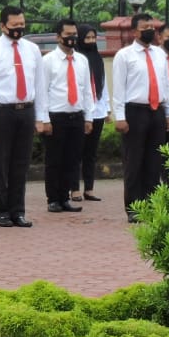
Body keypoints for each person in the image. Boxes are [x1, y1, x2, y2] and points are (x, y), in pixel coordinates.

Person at [0, 5, 48, 228]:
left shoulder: (32, 50)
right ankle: (1, 211)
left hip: (26, 110)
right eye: (14, 25)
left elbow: (39, 85)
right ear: (2, 25)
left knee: (20, 164)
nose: (18, 29)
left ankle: (18, 211)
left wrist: (41, 117)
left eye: (21, 25)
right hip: (0, 111)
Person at [112, 13, 169, 222]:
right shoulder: (124, 55)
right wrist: (119, 117)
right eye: (145, 27)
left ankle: (152, 204)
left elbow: (165, 84)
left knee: (154, 161)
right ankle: (134, 208)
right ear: (134, 31)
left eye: (152, 26)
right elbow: (119, 88)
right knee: (134, 161)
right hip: (135, 111)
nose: (150, 30)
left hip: (156, 111)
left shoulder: (159, 54)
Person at [41, 19, 93, 213]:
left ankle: (65, 198)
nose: (72, 39)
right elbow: (42, 91)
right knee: (54, 160)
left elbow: (87, 90)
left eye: (74, 35)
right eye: (68, 35)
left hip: (76, 116)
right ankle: (53, 198)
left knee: (72, 160)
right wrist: (44, 119)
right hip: (56, 117)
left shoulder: (82, 60)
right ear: (58, 37)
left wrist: (88, 117)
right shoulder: (48, 61)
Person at [76, 24, 108, 204]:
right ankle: (73, 188)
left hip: (98, 111)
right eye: (87, 38)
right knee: (75, 152)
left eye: (93, 38)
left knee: (91, 153)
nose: (90, 41)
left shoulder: (98, 58)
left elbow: (103, 84)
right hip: (80, 111)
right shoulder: (78, 59)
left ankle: (89, 188)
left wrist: (107, 108)